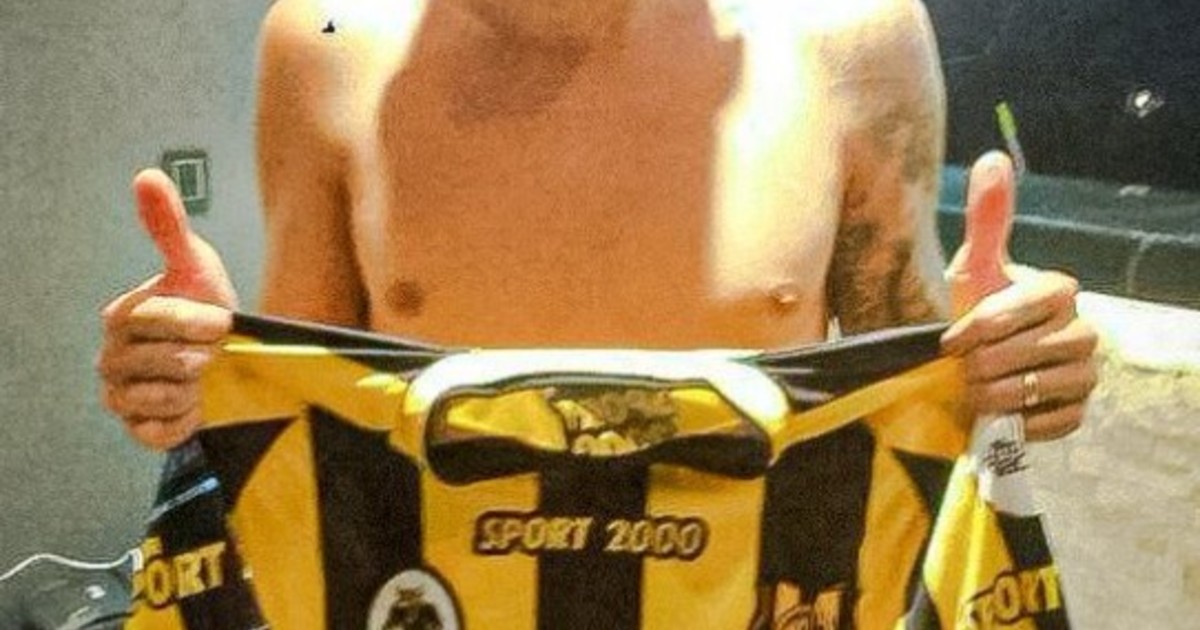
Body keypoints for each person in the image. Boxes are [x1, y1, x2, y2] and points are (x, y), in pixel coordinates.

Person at [98, 0, 1097, 451]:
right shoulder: (328, 37)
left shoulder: (853, 35)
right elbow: (304, 432)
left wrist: (1007, 368)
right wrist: (203, 378)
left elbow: (913, 410)